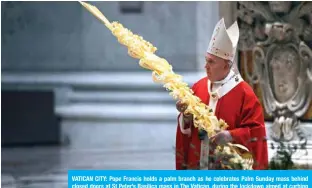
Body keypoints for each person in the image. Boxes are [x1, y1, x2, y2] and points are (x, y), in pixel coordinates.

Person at [175, 18, 268, 170]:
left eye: (211, 62)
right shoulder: (199, 87)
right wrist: (185, 116)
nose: (206, 67)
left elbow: (257, 135)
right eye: (206, 61)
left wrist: (230, 136)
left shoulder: (245, 95)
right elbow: (187, 131)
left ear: (226, 65)